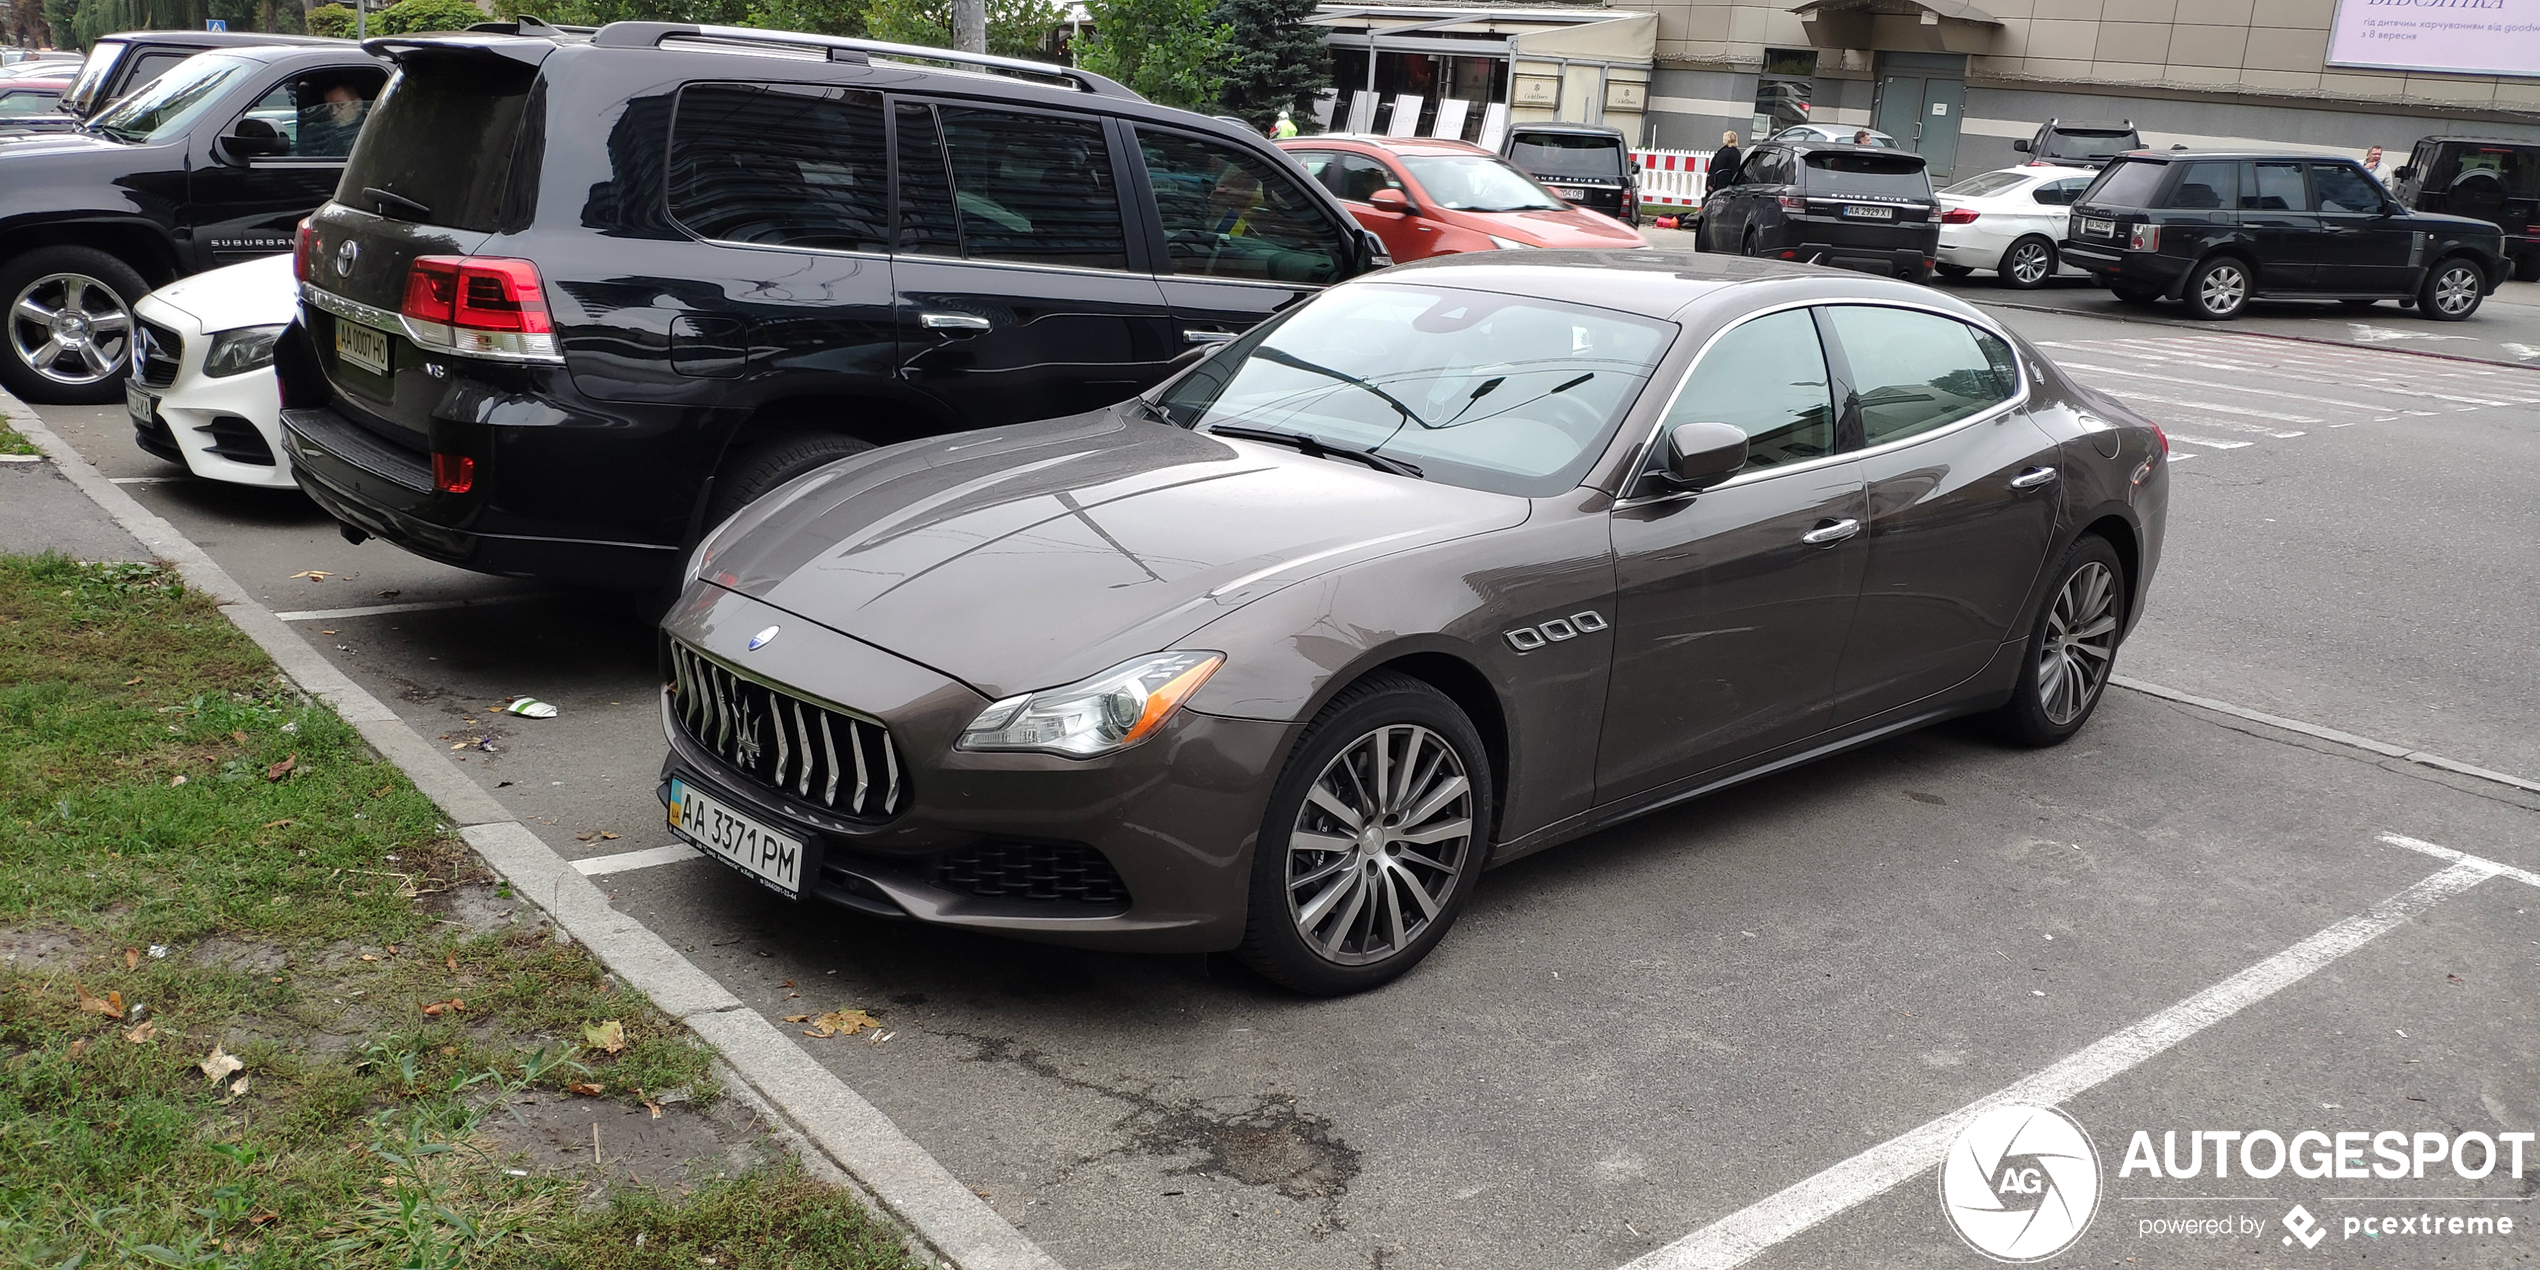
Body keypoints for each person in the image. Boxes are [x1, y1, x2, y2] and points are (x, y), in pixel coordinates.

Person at [296, 82, 368, 159]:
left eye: (340, 105)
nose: (333, 112)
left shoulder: (370, 132)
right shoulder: (322, 133)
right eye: (330, 108)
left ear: (358, 105)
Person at [1708, 130, 1741, 196]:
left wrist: (1711, 183)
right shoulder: (1737, 153)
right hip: (1731, 183)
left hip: (1719, 184)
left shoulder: (1723, 153)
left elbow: (1717, 168)